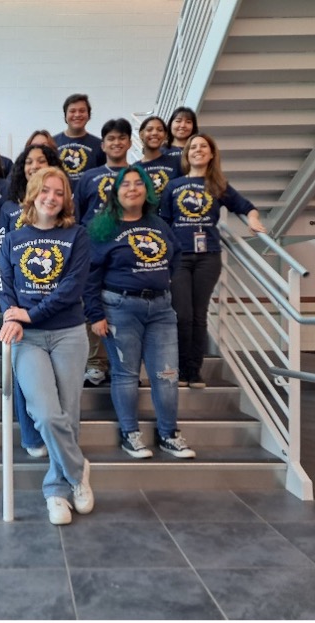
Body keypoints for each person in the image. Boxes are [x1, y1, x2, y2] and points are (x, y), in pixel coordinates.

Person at [0, 166, 94, 526]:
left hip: (68, 333)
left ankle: (57, 491)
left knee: (68, 415)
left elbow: (72, 287)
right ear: (33, 193)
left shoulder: (77, 235)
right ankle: (78, 469)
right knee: (46, 415)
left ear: (66, 198)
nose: (51, 197)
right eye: (45, 190)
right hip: (28, 337)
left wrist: (30, 313)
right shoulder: (14, 237)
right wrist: (12, 315)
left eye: (59, 192)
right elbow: (3, 281)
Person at [85, 165, 195, 460]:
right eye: (125, 185)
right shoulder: (103, 229)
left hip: (161, 309)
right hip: (120, 308)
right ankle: (130, 433)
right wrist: (95, 314)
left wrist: (164, 279)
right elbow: (90, 274)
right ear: (116, 193)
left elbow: (176, 254)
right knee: (125, 374)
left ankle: (169, 433)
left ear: (147, 190)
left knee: (167, 374)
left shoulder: (159, 224)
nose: (132, 188)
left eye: (138, 183)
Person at [160, 133, 266, 388]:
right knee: (182, 315)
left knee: (199, 316)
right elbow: (162, 222)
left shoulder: (218, 185)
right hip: (180, 258)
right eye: (193, 147)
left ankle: (194, 371)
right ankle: (181, 368)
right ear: (186, 155)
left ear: (211, 154)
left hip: (208, 256)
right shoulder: (173, 186)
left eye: (203, 147)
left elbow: (246, 206)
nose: (197, 150)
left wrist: (252, 218)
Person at [0, 143, 63, 458]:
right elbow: (3, 265)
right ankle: (31, 436)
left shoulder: (65, 224)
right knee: (22, 377)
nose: (34, 165)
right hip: (18, 308)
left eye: (42, 161)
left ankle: (55, 435)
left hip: (55, 315)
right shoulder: (10, 209)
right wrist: (12, 311)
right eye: (30, 161)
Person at [74, 118, 133, 388]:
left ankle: (126, 364)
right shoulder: (89, 176)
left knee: (125, 306)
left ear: (130, 143)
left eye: (122, 138)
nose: (116, 143)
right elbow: (78, 215)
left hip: (128, 251)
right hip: (93, 249)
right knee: (92, 306)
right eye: (111, 138)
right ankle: (96, 364)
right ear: (103, 144)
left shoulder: (136, 176)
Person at [53, 93, 105, 193]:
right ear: (65, 116)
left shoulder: (100, 145)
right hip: (59, 199)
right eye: (72, 111)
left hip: (87, 201)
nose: (77, 115)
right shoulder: (52, 143)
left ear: (89, 115)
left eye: (82, 111)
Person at [133, 115, 180, 199]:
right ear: (141, 135)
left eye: (160, 130)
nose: (155, 133)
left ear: (165, 135)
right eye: (149, 129)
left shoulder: (177, 162)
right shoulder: (134, 168)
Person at [162, 107, 199, 172]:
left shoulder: (198, 149)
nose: (182, 125)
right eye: (178, 121)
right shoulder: (160, 150)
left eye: (188, 122)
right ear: (171, 124)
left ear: (193, 127)